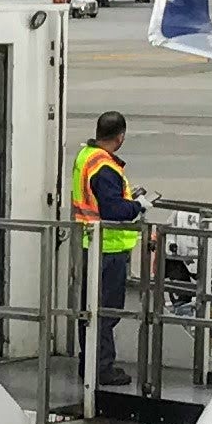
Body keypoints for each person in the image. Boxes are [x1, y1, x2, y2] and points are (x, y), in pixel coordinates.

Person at [73, 108, 141, 387]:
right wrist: (137, 206)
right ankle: (102, 368)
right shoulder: (104, 166)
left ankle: (87, 364)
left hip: (91, 242)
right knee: (105, 311)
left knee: (90, 308)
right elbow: (113, 209)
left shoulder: (86, 156)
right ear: (120, 137)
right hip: (108, 248)